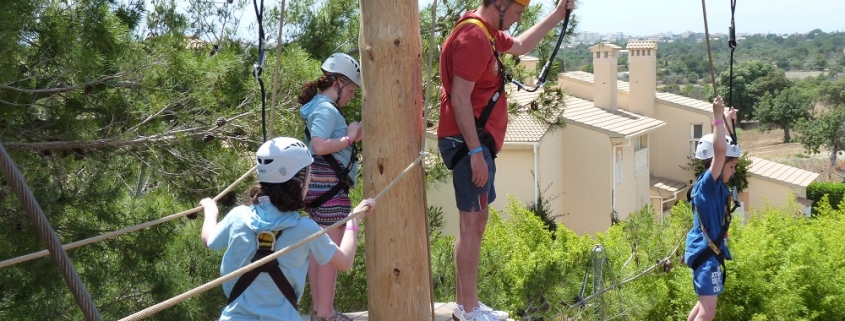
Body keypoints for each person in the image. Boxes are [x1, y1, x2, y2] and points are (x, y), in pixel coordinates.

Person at [436, 0, 575, 320]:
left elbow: (523, 44)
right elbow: (459, 97)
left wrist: (558, 14)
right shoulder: (473, 39)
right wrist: (473, 153)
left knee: (476, 223)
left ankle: (466, 304)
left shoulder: (484, 32)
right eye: (517, 12)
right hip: (468, 144)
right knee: (471, 224)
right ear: (499, 4)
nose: (517, 20)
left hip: (475, 144)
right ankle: (468, 309)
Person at [200, 137, 375, 321]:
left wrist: (211, 211)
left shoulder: (239, 216)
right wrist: (353, 220)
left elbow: (208, 240)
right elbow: (344, 262)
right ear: (300, 181)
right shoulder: (305, 229)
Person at [298, 53, 363, 321]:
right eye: (349, 90)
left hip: (321, 186)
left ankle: (319, 311)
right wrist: (350, 137)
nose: (351, 96)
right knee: (330, 254)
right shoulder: (326, 108)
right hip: (330, 190)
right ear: (336, 83)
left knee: (319, 251)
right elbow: (320, 145)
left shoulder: (320, 107)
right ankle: (325, 315)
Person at [684, 98, 740, 321]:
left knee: (702, 306)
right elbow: (720, 151)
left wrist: (727, 123)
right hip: (706, 255)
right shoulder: (709, 183)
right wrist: (717, 116)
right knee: (709, 311)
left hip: (709, 254)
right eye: (732, 166)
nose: (734, 171)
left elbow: (723, 149)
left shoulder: (714, 186)